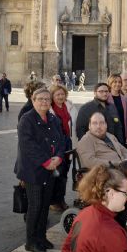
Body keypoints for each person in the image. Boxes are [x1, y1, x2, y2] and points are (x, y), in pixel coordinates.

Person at [15, 87, 65, 252]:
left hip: (50, 168)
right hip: (33, 171)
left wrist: (58, 157)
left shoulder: (52, 118)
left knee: (45, 206)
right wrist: (45, 161)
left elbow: (61, 140)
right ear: (33, 101)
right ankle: (31, 241)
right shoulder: (26, 119)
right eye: (40, 99)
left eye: (46, 99)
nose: (44, 102)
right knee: (35, 206)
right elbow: (28, 145)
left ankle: (41, 237)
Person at [49, 84, 77, 212]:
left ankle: (61, 198)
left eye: (62, 94)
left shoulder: (69, 106)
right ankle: (54, 201)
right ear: (52, 96)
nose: (60, 96)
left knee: (65, 172)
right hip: (56, 145)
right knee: (57, 173)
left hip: (69, 142)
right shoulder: (49, 109)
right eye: (57, 95)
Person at [107, 73, 127, 144]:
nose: (118, 84)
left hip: (122, 132)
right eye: (115, 82)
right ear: (110, 83)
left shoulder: (125, 99)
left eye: (119, 82)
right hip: (109, 133)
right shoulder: (106, 98)